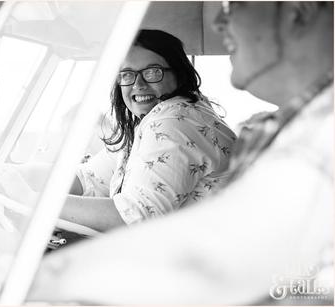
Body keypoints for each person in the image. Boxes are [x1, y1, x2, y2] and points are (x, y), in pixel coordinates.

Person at [25, 2, 333, 304]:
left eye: (234, 5)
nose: (219, 23)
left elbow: (156, 227)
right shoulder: (280, 127)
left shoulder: (175, 119)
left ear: (299, 10)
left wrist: (44, 269)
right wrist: (20, 178)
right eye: (126, 74)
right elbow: (93, 177)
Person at [0, 29, 236, 232]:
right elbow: (87, 177)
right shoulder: (156, 120)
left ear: (179, 74)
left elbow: (136, 216)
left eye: (152, 72)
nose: (138, 84)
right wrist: (11, 174)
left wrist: (29, 199)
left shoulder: (173, 121)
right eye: (127, 74)